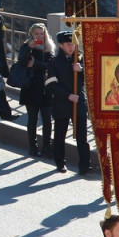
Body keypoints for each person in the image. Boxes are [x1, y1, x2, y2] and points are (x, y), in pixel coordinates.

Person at [46, 30, 91, 174]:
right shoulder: (53, 62)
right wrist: (67, 95)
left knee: (82, 137)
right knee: (60, 135)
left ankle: (85, 165)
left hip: (79, 103)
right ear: (60, 45)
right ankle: (60, 163)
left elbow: (91, 78)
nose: (71, 47)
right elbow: (50, 84)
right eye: (68, 44)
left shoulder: (80, 59)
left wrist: (81, 70)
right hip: (62, 103)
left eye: (73, 44)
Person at [17, 22, 54, 157]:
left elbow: (51, 67)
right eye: (36, 34)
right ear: (31, 35)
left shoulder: (49, 49)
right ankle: (33, 147)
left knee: (47, 119)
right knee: (32, 119)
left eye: (41, 33)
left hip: (45, 89)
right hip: (31, 87)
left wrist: (36, 63)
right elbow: (21, 62)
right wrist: (28, 49)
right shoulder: (27, 47)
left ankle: (47, 146)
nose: (39, 36)